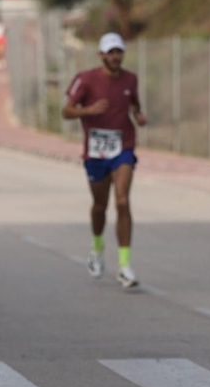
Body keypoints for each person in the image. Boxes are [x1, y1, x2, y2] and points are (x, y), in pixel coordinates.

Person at [63, 33, 147, 290]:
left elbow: (134, 105)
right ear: (101, 55)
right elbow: (66, 111)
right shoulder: (86, 79)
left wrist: (138, 116)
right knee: (100, 206)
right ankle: (97, 247)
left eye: (119, 52)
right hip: (96, 152)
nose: (115, 57)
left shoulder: (130, 79)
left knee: (122, 201)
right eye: (110, 52)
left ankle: (124, 265)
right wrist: (87, 111)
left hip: (122, 147)